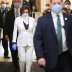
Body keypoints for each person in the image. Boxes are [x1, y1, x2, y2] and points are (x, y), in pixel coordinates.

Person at [33, 0, 72, 72]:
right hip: (50, 57)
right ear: (50, 5)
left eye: (59, 3)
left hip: (67, 57)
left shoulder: (69, 19)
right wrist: (40, 56)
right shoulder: (42, 20)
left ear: (62, 5)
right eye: (54, 3)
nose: (57, 5)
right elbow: (37, 39)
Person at [12, 5, 36, 72]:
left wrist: (36, 42)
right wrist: (14, 42)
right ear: (21, 12)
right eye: (24, 12)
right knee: (22, 60)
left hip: (30, 42)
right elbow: (15, 31)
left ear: (29, 13)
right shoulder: (17, 20)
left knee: (29, 60)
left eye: (27, 12)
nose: (25, 13)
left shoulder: (33, 20)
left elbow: (34, 32)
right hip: (20, 42)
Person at [5, 0, 21, 72]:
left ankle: (21, 63)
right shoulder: (9, 13)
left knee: (21, 50)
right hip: (12, 35)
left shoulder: (24, 11)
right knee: (13, 50)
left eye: (18, 1)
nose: (17, 3)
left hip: (22, 35)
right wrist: (6, 34)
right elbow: (6, 24)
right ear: (13, 3)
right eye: (15, 1)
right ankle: (15, 64)